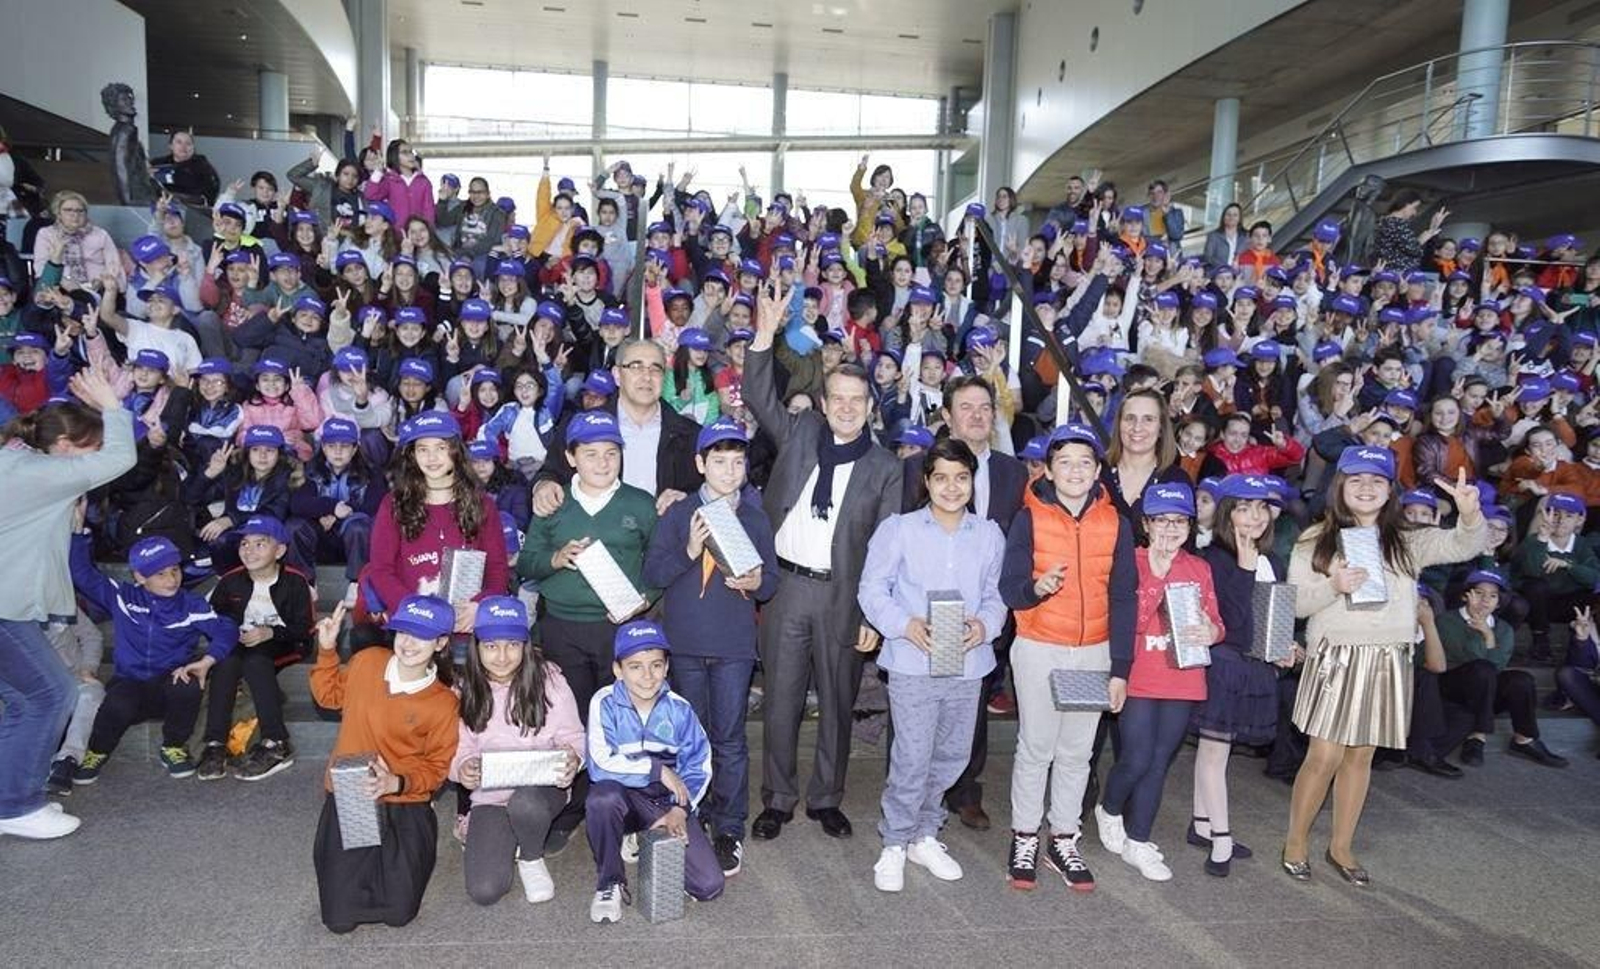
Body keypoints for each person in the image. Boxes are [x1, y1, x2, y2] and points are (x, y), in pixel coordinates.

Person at [743, 280, 902, 842]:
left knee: (837, 701)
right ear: (825, 400)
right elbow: (761, 396)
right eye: (838, 398)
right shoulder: (800, 433)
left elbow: (886, 549)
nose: (846, 408)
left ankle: (827, 797)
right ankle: (778, 797)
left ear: (869, 407)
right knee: (781, 701)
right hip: (786, 590)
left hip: (845, 597)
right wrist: (763, 337)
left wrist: (873, 617)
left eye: (857, 401)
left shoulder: (886, 468)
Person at [1282, 447, 1484, 887]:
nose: (1366, 487)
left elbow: (1464, 544)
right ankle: (1296, 841)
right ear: (1340, 486)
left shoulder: (1408, 538)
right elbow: (1295, 604)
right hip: (1335, 655)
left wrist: (1469, 514)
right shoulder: (1315, 538)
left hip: (1388, 657)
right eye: (1356, 479)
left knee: (1361, 756)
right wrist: (1333, 586)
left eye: (1376, 480)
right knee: (1324, 755)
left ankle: (1341, 846)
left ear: (1390, 489)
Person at [859, 437, 1006, 892]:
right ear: (926, 481)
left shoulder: (988, 535)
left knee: (952, 756)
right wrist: (904, 625)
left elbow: (995, 597)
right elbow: (871, 590)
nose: (951, 487)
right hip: (911, 661)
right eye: (941, 477)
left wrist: (984, 626)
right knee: (912, 754)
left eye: (961, 478)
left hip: (967, 664)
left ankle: (925, 831)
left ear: (972, 482)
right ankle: (895, 841)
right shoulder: (898, 529)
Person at [999, 422, 1138, 893]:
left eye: (1085, 462)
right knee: (1036, 747)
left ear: (1098, 469)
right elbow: (1009, 587)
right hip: (1041, 647)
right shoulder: (1029, 517)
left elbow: (1124, 597)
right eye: (1065, 462)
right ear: (1049, 469)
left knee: (1077, 753)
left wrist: (1120, 668)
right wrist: (1034, 589)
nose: (1075, 470)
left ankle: (1063, 836)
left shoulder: (1115, 521)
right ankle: (1024, 836)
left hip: (1093, 652)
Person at [641, 417, 778, 876]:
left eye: (737, 463)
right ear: (700, 464)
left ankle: (729, 828)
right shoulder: (679, 516)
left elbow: (770, 581)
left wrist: (758, 581)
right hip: (684, 644)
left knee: (730, 739)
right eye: (718, 462)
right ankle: (690, 814)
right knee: (688, 739)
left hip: (734, 646)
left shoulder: (754, 516)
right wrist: (688, 551)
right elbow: (653, 575)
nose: (728, 472)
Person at [0, 372, 135, 839]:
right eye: (87, 449)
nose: (92, 461)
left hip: (10, 608)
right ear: (61, 446)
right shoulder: (38, 474)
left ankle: (13, 796)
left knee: (26, 700)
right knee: (52, 694)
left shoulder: (18, 466)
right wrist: (112, 407)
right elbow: (122, 457)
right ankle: (15, 806)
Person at [517, 410, 659, 850]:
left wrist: (644, 600)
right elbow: (525, 564)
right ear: (571, 457)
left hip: (619, 629)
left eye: (611, 453)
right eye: (591, 453)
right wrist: (556, 558)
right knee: (573, 720)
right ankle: (572, 805)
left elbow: (659, 564)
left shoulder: (639, 503)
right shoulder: (554, 504)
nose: (602, 462)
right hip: (562, 628)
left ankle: (627, 811)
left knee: (623, 722)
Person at [899, 374, 1028, 830]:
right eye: (966, 408)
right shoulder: (918, 468)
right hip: (925, 612)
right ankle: (913, 796)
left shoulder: (1014, 471)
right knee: (921, 705)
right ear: (947, 416)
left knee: (972, 702)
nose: (976, 416)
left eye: (984, 408)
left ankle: (965, 789)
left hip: (985, 610)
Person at [1095, 482, 1223, 882]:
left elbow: (1217, 623)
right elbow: (1124, 619)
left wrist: (1210, 632)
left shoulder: (1199, 568)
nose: (1170, 529)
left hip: (1183, 678)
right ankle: (1109, 807)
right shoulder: (1129, 562)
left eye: (1179, 521)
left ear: (1190, 525)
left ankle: (1139, 840)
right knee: (1135, 757)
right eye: (1162, 521)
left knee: (1158, 763)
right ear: (1146, 524)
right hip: (1139, 675)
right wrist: (1158, 572)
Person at [309, 596, 459, 933]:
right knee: (340, 920)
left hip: (403, 803)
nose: (408, 643)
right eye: (403, 631)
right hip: (351, 795)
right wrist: (328, 650)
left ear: (441, 642)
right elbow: (328, 696)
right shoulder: (367, 661)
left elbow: (437, 767)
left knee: (399, 914)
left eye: (422, 635)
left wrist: (397, 782)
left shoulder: (443, 702)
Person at [67, 533, 238, 783]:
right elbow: (82, 573)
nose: (171, 579)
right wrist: (79, 535)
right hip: (130, 682)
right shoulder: (123, 597)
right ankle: (97, 751)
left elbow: (227, 629)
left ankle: (173, 746)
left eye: (175, 570)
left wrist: (208, 660)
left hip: (168, 685)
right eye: (160, 574)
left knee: (188, 683)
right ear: (139, 577)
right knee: (117, 703)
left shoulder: (191, 604)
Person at [449, 597, 586, 907]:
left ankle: (531, 855)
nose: (501, 656)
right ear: (477, 647)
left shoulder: (550, 681)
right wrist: (463, 768)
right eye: (491, 646)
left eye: (512, 645)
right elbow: (460, 748)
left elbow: (575, 737)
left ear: (526, 645)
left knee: (525, 804)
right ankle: (510, 834)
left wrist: (574, 758)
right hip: (491, 795)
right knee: (484, 890)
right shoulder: (465, 688)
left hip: (541, 792)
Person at [585, 620, 722, 924]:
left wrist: (680, 810)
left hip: (664, 802)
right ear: (618, 669)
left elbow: (699, 764)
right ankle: (609, 882)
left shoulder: (679, 709)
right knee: (601, 799)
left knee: (709, 886)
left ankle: (646, 833)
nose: (647, 677)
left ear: (666, 667)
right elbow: (599, 763)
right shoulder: (603, 702)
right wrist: (656, 769)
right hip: (623, 795)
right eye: (635, 667)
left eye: (656, 665)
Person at [1192, 474, 1293, 876]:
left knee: (1217, 751)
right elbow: (1230, 621)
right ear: (1227, 513)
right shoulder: (1214, 557)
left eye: (1261, 508)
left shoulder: (1274, 561)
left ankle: (1202, 823)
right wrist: (1246, 568)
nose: (1254, 517)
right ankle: (1221, 838)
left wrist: (1285, 647)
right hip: (1224, 664)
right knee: (1215, 752)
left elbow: (1272, 618)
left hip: (1254, 667)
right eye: (1243, 507)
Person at [196, 515, 315, 782]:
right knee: (227, 662)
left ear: (280, 550)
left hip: (285, 641)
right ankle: (215, 744)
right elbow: (215, 621)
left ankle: (276, 742)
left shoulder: (295, 581)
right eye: (245, 544)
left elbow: (303, 628)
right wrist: (232, 634)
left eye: (260, 544)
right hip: (243, 642)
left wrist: (270, 632)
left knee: (255, 661)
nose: (249, 551)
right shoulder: (230, 581)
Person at [364, 412, 510, 625]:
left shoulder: (483, 504)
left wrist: (480, 604)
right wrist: (415, 611)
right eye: (423, 449)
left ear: (456, 451)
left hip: (465, 624)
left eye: (441, 448)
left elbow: (497, 568)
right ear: (412, 455)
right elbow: (381, 570)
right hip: (414, 625)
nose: (432, 458)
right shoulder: (393, 504)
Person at [530, 338, 703, 517]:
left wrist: (688, 500)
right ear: (617, 375)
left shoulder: (690, 434)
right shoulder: (581, 426)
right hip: (596, 534)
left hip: (662, 536)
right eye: (636, 366)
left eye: (655, 368)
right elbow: (550, 472)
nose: (647, 376)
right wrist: (544, 486)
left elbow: (707, 492)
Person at [1434, 569, 1568, 768]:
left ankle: (1524, 739)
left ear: (1498, 602)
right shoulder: (1447, 621)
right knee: (1481, 668)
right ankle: (1477, 736)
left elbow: (1496, 666)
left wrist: (1488, 635)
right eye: (1479, 593)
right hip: (1451, 690)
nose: (1486, 600)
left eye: (1493, 595)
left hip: (1484, 689)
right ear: (1465, 596)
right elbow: (1470, 658)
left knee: (1521, 680)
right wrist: (1483, 636)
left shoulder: (1503, 628)